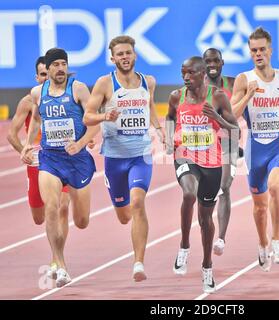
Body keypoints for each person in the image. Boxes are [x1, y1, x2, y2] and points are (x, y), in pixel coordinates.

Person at [83, 35, 165, 282]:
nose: (125, 57)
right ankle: (123, 209)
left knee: (138, 203)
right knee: (124, 215)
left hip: (141, 155)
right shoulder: (104, 84)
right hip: (115, 159)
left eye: (128, 53)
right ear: (113, 58)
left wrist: (160, 130)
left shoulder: (148, 82)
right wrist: (104, 117)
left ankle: (138, 263)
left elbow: (150, 106)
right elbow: (88, 116)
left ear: (135, 55)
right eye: (120, 54)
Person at [21, 48, 98, 287]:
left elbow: (94, 119)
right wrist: (27, 145)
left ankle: (60, 259)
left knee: (82, 220)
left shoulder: (78, 89)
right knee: (52, 207)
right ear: (48, 68)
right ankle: (60, 263)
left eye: (64, 64)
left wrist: (82, 142)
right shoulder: (38, 92)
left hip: (77, 160)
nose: (60, 68)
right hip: (51, 159)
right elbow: (36, 118)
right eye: (55, 65)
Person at [166, 56, 239, 293]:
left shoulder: (217, 96)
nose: (186, 78)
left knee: (206, 220)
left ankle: (207, 264)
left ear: (202, 74)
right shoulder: (177, 96)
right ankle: (184, 246)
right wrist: (169, 138)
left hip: (212, 162)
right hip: (185, 156)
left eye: (191, 73)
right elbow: (169, 116)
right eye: (183, 73)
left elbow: (234, 127)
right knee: (189, 193)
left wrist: (216, 118)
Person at [231, 27, 279, 271]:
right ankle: (263, 243)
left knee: (275, 186)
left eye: (262, 49)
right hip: (255, 150)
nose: (258, 54)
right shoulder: (244, 79)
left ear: (270, 50)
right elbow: (232, 115)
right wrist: (248, 95)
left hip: (278, 146)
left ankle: (277, 239)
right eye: (254, 50)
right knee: (260, 206)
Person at [7, 56, 70, 226]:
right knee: (39, 218)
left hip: (61, 158)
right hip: (37, 161)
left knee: (62, 207)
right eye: (42, 74)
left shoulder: (68, 97)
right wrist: (23, 151)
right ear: (37, 77)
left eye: (48, 73)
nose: (46, 78)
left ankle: (58, 253)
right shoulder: (27, 102)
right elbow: (11, 134)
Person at [202, 48, 237, 256]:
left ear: (222, 62)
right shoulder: (198, 85)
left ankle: (221, 238)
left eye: (216, 60)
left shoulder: (232, 84)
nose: (212, 64)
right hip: (205, 144)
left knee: (224, 187)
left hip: (228, 142)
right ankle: (205, 226)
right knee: (203, 191)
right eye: (208, 61)